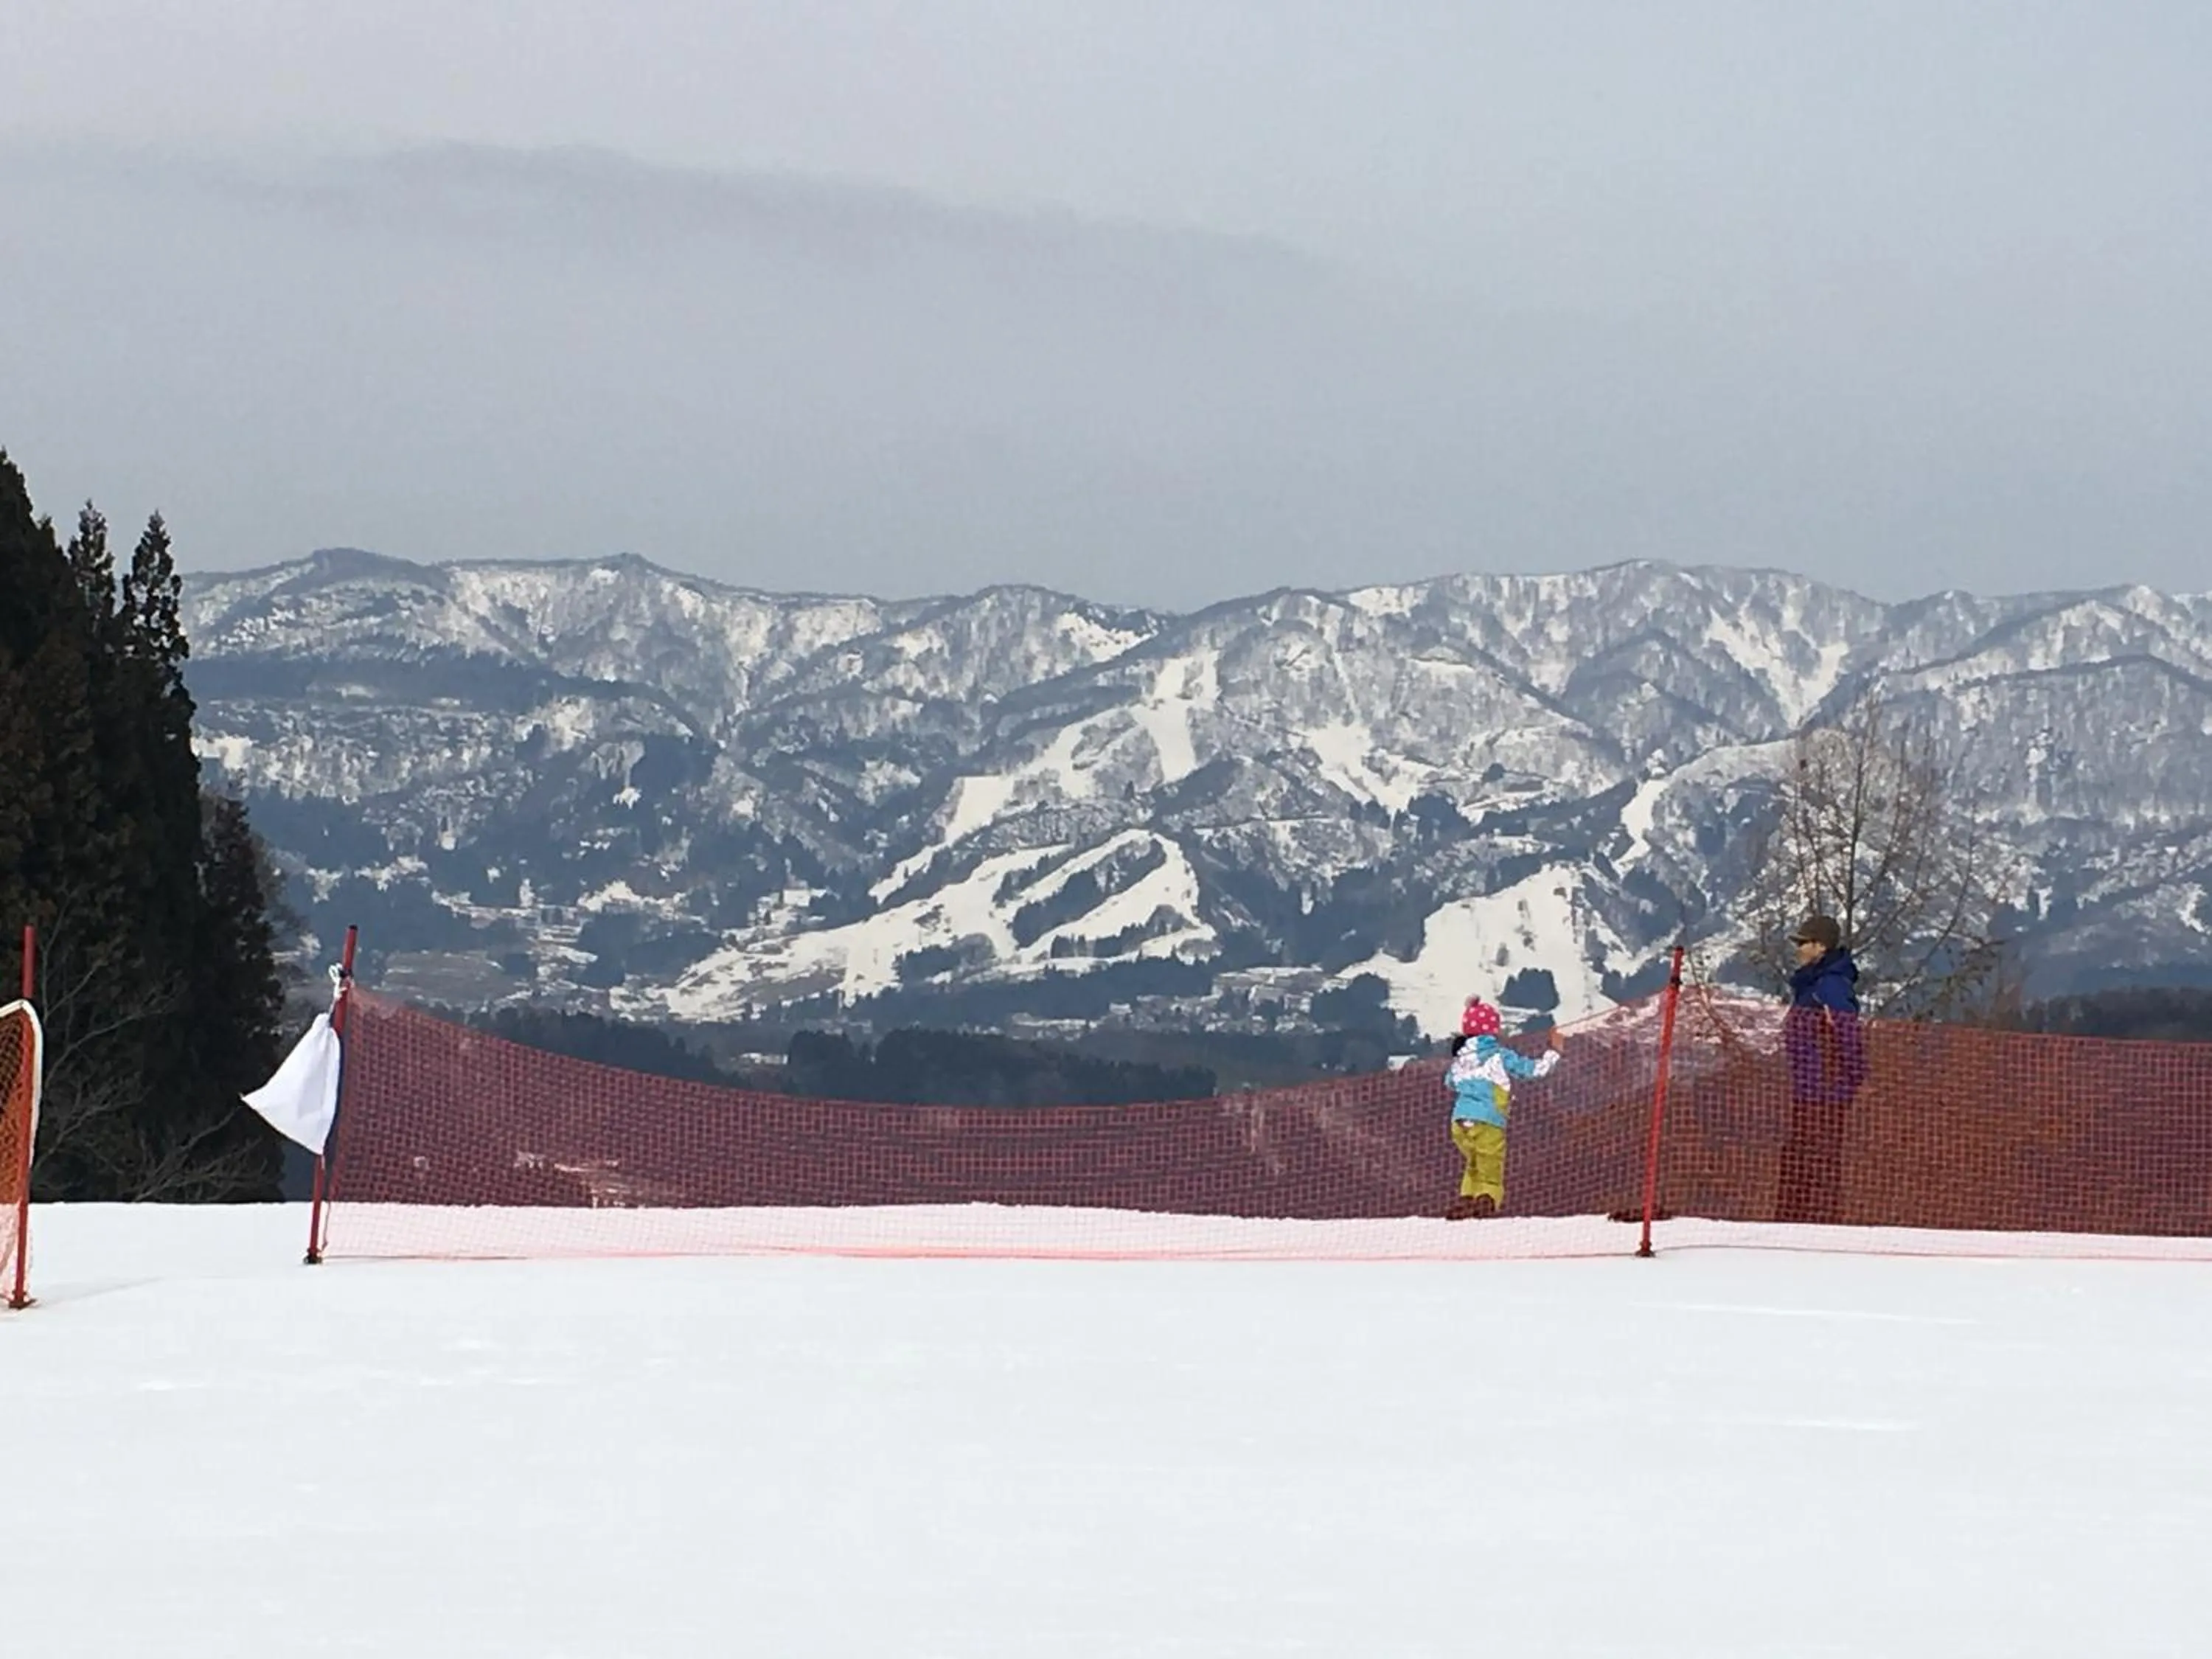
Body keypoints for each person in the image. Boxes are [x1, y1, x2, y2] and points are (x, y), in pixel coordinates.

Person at [1777, 914, 1868, 1225]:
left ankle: (1815, 1222)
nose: (1799, 949)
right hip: (1810, 1089)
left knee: (1817, 1160)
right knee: (1800, 1157)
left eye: (1804, 943)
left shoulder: (1828, 985)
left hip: (1824, 1092)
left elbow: (1848, 1034)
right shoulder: (1813, 984)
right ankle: (1798, 1218)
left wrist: (1849, 1078)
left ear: (1820, 947)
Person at [1444, 995, 1565, 1220]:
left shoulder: (1460, 1059)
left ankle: (1466, 1199)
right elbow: (1534, 1070)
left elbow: (1450, 1082)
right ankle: (1487, 1200)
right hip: (1489, 1120)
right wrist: (1554, 1052)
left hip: (1459, 1121)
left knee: (1473, 1163)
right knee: (1491, 1167)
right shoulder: (1500, 1056)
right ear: (1494, 1030)